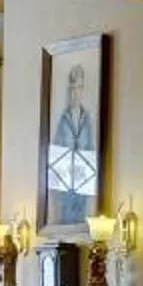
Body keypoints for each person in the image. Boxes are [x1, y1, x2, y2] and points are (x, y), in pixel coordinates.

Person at [46, 62, 99, 227]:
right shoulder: (63, 119)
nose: (76, 93)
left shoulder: (87, 119)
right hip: (65, 186)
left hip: (83, 182)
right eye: (73, 88)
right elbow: (56, 153)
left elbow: (91, 150)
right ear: (69, 90)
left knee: (80, 221)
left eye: (79, 88)